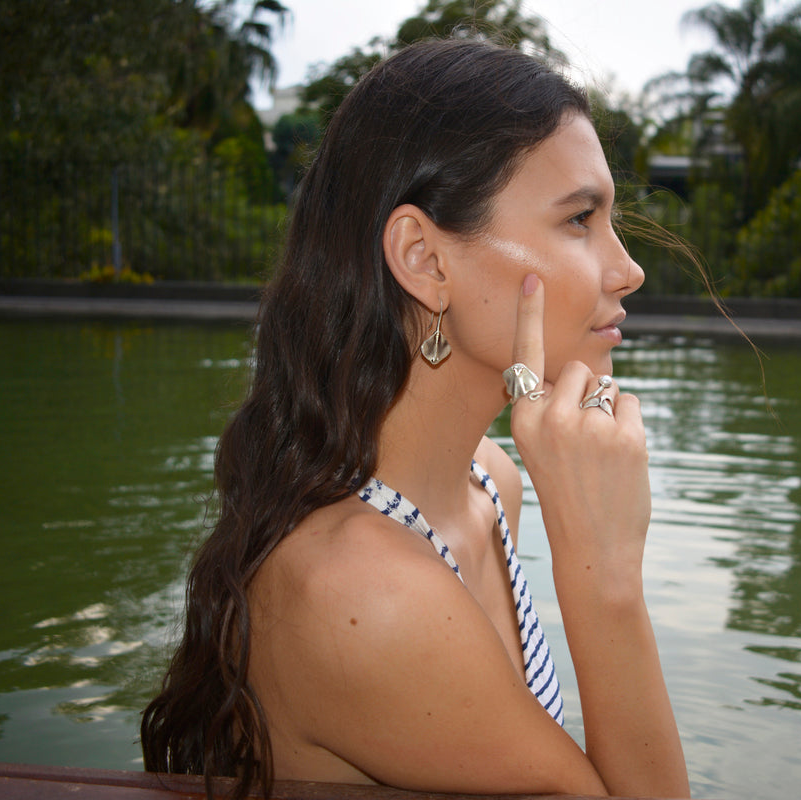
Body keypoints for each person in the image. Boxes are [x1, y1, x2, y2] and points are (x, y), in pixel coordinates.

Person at [141, 37, 690, 799]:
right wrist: (605, 575)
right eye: (579, 220)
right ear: (426, 261)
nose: (627, 267)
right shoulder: (363, 593)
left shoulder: (493, 484)